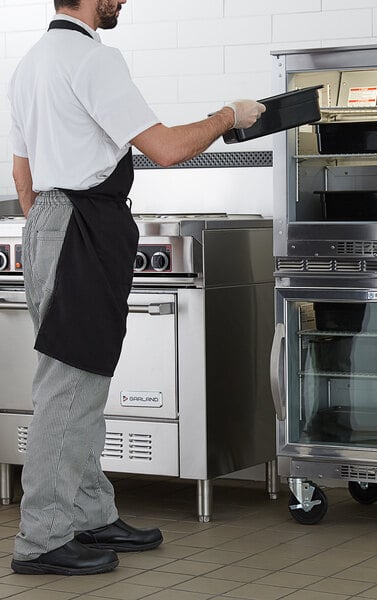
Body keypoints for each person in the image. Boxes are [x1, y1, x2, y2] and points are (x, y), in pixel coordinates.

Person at [7, 0, 265, 576]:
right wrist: (232, 114)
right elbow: (167, 149)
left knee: (83, 381)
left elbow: (21, 173)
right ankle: (43, 537)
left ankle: (90, 513)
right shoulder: (94, 60)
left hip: (52, 223)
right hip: (80, 227)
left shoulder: (30, 64)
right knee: (68, 387)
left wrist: (50, 226)